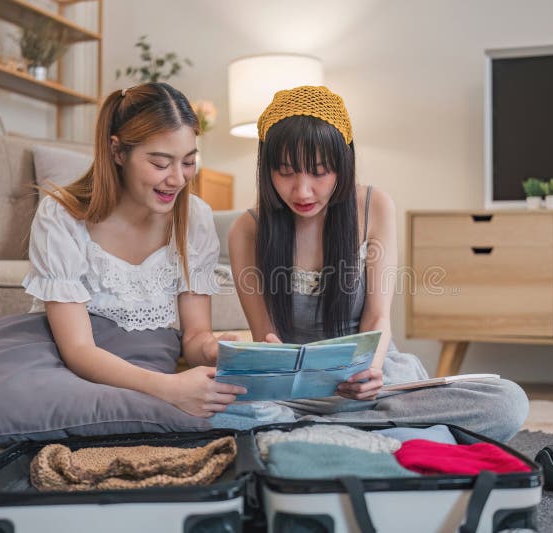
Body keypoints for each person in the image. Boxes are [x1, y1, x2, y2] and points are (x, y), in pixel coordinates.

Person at [0, 82, 245, 500]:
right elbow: (79, 352)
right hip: (64, 359)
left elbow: (194, 337)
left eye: (189, 162)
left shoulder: (193, 217)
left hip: (136, 369)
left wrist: (212, 350)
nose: (177, 179)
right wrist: (171, 389)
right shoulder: (63, 214)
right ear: (118, 151)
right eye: (160, 162)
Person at [226, 85, 528, 440]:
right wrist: (274, 359)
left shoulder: (372, 206)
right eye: (286, 172)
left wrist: (368, 371)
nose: (303, 191)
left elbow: (377, 316)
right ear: (267, 169)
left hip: (375, 385)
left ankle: (319, 435)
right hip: (298, 396)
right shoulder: (247, 230)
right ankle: (390, 436)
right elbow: (266, 336)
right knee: (219, 412)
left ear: (343, 163)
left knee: (508, 403)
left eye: (320, 171)